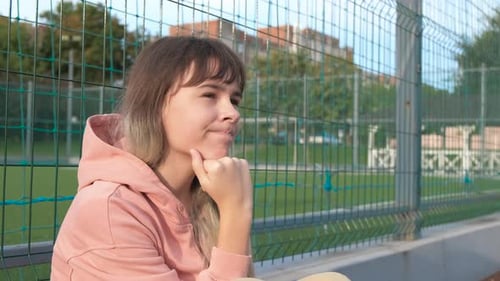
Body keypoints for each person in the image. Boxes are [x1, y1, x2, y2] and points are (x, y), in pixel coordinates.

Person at [51, 36, 254, 280]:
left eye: (234, 100)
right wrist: (236, 212)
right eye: (210, 95)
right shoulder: (108, 210)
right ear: (155, 103)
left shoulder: (213, 195)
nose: (233, 113)